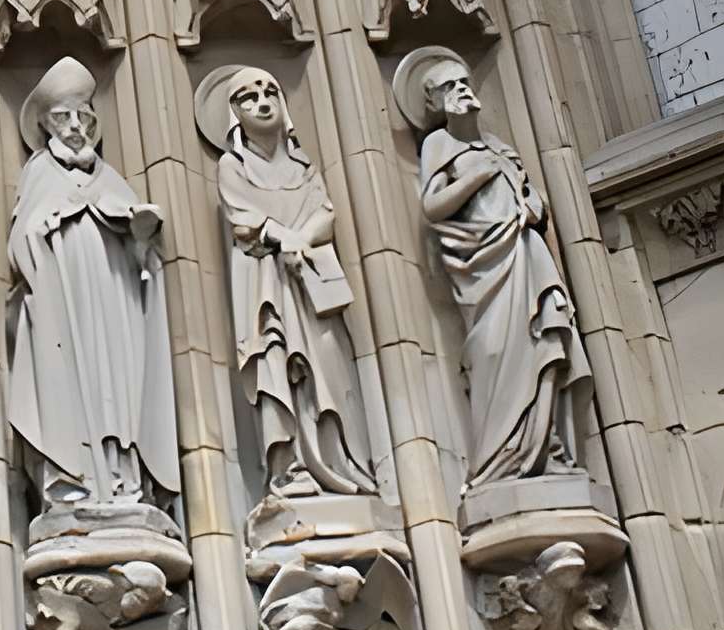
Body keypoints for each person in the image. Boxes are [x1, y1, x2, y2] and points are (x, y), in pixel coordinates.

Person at [397, 47, 589, 489]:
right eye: (450, 86)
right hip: (484, 267)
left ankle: (547, 445)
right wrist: (476, 176)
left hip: (525, 251)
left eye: (465, 83)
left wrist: (533, 205)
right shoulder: (439, 144)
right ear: (433, 101)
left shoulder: (501, 146)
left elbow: (531, 196)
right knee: (495, 351)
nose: (462, 91)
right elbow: (432, 206)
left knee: (547, 338)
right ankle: (504, 455)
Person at [7, 56, 180, 511]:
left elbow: (144, 253)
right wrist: (52, 223)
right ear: (45, 125)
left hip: (114, 299)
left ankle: (124, 478)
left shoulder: (111, 179)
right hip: (64, 302)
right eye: (63, 118)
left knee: (119, 387)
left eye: (82, 117)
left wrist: (139, 238)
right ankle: (74, 478)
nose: (74, 127)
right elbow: (22, 241)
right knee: (67, 385)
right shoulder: (39, 173)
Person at [200, 65, 374, 499]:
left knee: (329, 363)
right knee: (275, 362)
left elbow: (325, 213)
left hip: (311, 282)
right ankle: (290, 467)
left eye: (270, 92)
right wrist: (284, 238)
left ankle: (338, 462)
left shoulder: (303, 166)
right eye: (249, 97)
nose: (262, 102)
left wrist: (301, 239)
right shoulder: (233, 166)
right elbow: (243, 218)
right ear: (234, 114)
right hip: (267, 284)